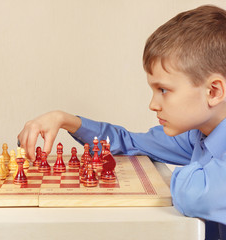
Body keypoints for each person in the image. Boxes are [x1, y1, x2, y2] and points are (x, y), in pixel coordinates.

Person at [17, 5, 226, 240]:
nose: (153, 104)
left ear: (213, 91)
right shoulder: (196, 137)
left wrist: (181, 174)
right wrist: (66, 120)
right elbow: (128, 142)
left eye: (163, 90)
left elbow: (195, 195)